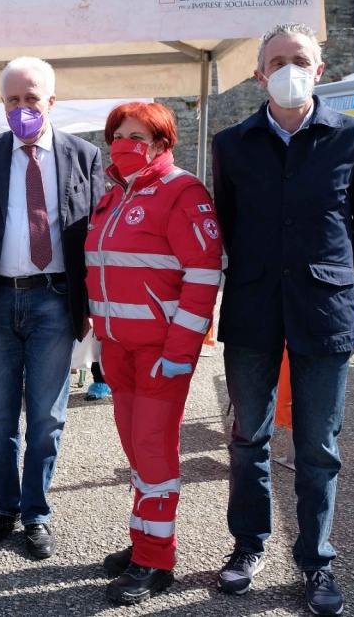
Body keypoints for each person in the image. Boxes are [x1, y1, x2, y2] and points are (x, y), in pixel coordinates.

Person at [211, 23, 354, 616]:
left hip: (324, 312)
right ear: (259, 73)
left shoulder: (353, 136)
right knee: (248, 439)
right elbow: (228, 224)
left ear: (319, 69)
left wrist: (334, 281)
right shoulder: (231, 143)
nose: (290, 69)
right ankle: (248, 545)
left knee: (318, 446)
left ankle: (316, 559)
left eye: (301, 59)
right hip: (253, 309)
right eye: (278, 60)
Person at [0, 56, 104, 559]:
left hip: (54, 302)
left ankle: (36, 513)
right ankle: (4, 507)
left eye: (31, 98)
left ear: (51, 101)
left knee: (46, 418)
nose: (22, 107)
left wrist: (95, 305)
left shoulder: (84, 156)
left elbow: (97, 236)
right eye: (12, 99)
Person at [84, 102, 223, 603]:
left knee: (154, 450)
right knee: (136, 449)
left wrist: (182, 349)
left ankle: (156, 560)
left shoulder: (182, 191)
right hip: (118, 350)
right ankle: (144, 540)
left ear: (162, 143)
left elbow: (203, 274)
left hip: (161, 352)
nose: (124, 144)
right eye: (118, 135)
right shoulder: (112, 195)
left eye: (137, 136)